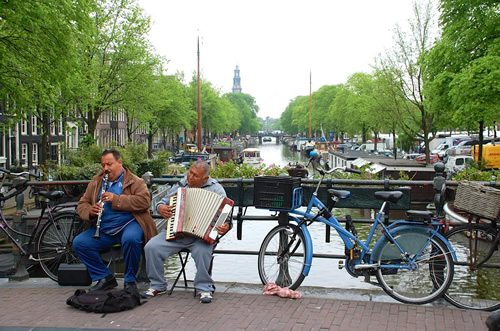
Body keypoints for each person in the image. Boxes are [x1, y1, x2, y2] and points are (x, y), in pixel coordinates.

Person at [142, 160, 230, 304]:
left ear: (205, 179)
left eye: (195, 176)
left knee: (203, 252)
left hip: (201, 237)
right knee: (151, 247)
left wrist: (225, 226)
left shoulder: (217, 190)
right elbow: (162, 202)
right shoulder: (181, 185)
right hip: (176, 232)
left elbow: (226, 218)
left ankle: (204, 288)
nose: (190, 177)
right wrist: (161, 208)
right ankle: (158, 285)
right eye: (190, 172)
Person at [73, 149, 158, 292]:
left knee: (131, 239)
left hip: (129, 224)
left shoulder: (135, 181)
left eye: (109, 164)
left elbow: (144, 202)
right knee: (79, 243)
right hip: (104, 228)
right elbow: (82, 204)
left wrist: (116, 199)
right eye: (103, 165)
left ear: (119, 162)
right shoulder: (96, 182)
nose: (105, 169)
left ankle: (130, 280)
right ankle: (105, 277)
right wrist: (90, 211)